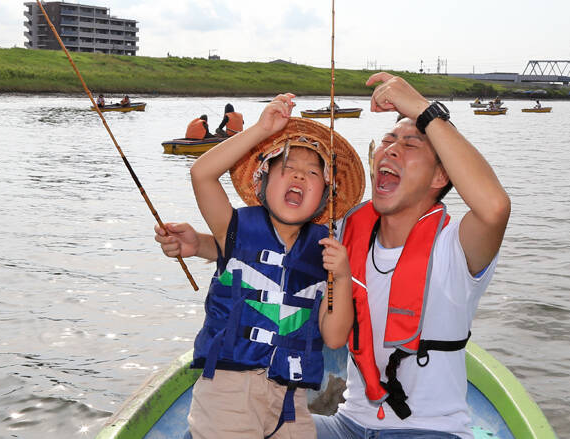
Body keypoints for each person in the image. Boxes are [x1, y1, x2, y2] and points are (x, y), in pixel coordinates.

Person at [158, 73, 510, 439]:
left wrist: (422, 109)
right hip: (348, 425)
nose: (391, 149)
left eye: (410, 144)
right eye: (388, 140)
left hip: (429, 430)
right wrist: (200, 244)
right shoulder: (343, 233)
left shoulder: (455, 245)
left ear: (441, 175)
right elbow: (279, 253)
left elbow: (495, 207)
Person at [157, 94, 365, 439]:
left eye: (313, 173)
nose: (300, 176)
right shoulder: (234, 227)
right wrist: (261, 128)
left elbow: (334, 335)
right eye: (287, 168)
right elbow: (202, 174)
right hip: (228, 394)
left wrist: (341, 277)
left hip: (292, 402)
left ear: (325, 198)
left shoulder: (326, 253)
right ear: (261, 183)